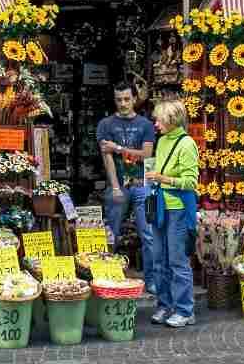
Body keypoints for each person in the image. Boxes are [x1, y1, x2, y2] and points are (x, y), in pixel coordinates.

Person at [97, 82, 157, 294]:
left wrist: (119, 148)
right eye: (119, 99)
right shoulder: (105, 124)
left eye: (126, 99)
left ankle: (152, 281)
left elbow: (147, 154)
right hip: (119, 185)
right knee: (111, 232)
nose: (123, 103)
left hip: (144, 186)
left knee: (149, 234)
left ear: (134, 99)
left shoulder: (146, 125)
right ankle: (108, 277)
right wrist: (114, 187)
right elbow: (108, 158)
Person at [145, 99, 199, 328]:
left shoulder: (187, 144)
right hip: (159, 205)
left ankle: (185, 310)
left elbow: (191, 181)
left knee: (177, 260)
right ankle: (165, 304)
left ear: (170, 119)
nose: (155, 124)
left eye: (159, 119)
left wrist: (162, 178)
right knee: (158, 259)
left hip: (177, 208)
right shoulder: (163, 141)